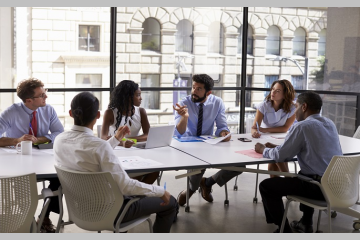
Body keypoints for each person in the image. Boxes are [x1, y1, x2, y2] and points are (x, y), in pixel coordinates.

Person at [54, 92, 178, 232]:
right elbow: (125, 186)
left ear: (71, 113)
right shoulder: (99, 146)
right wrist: (161, 191)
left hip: (80, 210)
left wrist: (116, 139)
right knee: (171, 202)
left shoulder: (59, 140)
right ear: (98, 115)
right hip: (112, 212)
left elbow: (95, 152)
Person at [254, 91, 342, 233]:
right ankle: (306, 223)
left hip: (318, 188)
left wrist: (263, 149)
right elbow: (312, 147)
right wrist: (281, 147)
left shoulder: (302, 126)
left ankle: (285, 230)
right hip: (337, 185)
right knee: (305, 173)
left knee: (267, 186)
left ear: (304, 107)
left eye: (297, 106)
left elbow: (281, 156)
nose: (295, 111)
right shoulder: (329, 123)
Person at [0, 78, 64, 233]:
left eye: (45, 93)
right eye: (41, 95)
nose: (46, 97)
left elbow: (60, 133)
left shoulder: (48, 110)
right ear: (29, 100)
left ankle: (45, 217)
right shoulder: (11, 112)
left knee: (60, 177)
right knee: (23, 182)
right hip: (19, 160)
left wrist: (40, 139)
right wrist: (17, 140)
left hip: (44, 158)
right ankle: (26, 220)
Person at [173, 74, 242, 206]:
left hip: (208, 143)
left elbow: (222, 127)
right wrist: (184, 117)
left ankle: (208, 182)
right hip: (187, 144)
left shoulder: (217, 102)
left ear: (208, 92)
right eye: (193, 87)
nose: (194, 91)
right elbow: (179, 132)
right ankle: (191, 190)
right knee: (199, 163)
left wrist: (223, 133)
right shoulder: (183, 103)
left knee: (239, 165)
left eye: (199, 89)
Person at [101, 80, 160, 185]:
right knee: (131, 173)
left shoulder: (141, 111)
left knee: (155, 171)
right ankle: (131, 195)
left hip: (136, 151)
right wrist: (122, 142)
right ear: (128, 97)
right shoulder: (110, 113)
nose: (141, 98)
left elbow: (148, 134)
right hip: (117, 152)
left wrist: (130, 140)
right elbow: (104, 138)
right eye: (138, 95)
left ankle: (134, 196)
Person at [251, 79, 296, 178]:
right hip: (266, 138)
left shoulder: (293, 108)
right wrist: (255, 132)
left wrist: (265, 130)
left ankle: (282, 182)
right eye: (273, 89)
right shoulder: (264, 105)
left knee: (276, 155)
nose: (273, 92)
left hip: (282, 137)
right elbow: (255, 127)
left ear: (285, 94)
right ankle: (285, 180)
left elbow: (285, 128)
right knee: (275, 158)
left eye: (277, 91)